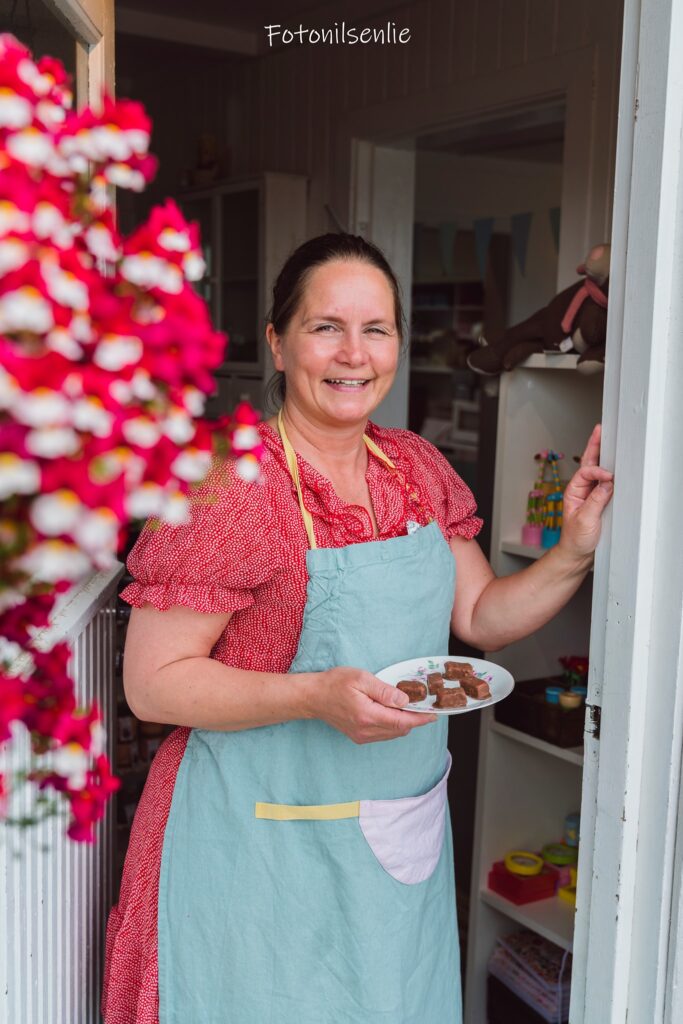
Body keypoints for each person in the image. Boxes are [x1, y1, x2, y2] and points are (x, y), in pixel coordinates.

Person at [102, 233, 614, 1024]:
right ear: (277, 340)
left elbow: (482, 617)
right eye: (324, 327)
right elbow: (154, 685)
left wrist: (574, 551)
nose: (353, 354)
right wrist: (316, 696)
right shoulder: (230, 489)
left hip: (393, 834)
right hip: (257, 848)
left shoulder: (414, 468)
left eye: (375, 329)